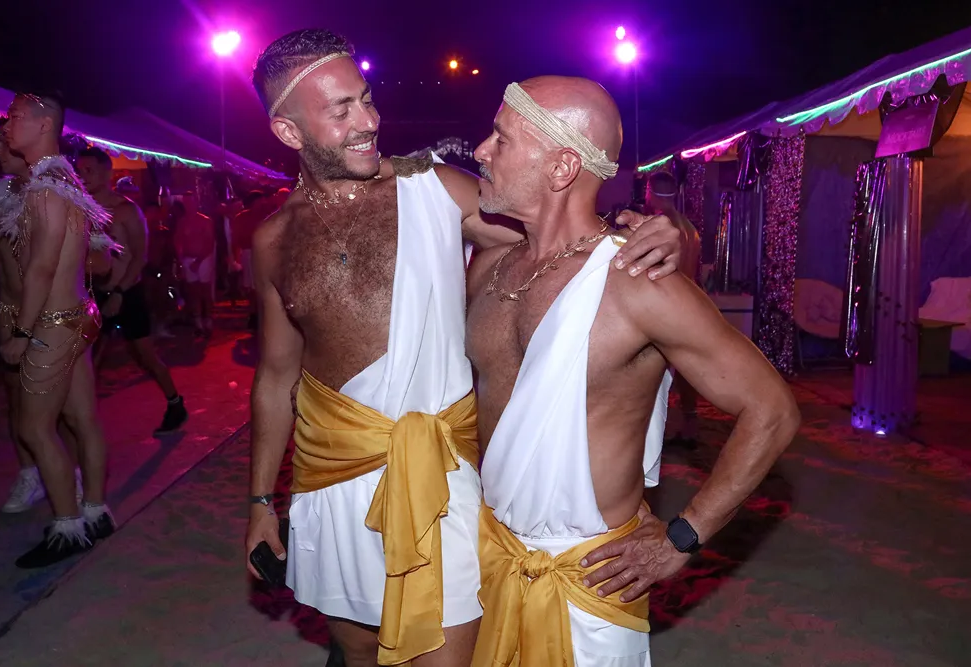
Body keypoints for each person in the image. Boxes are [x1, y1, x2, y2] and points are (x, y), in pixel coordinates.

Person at [244, 29, 685, 667]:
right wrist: (261, 503)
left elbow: (555, 228)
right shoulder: (274, 241)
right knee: (357, 652)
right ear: (290, 131)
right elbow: (275, 375)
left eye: (366, 99)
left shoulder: (436, 190)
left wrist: (642, 233)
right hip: (332, 479)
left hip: (443, 479)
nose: (369, 121)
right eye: (341, 110)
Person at [466, 76, 800, 666]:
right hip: (487, 556)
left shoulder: (639, 284)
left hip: (591, 581)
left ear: (562, 167)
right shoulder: (489, 263)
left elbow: (771, 411)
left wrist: (683, 536)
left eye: (501, 138)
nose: (480, 151)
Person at [0, 92, 116, 568]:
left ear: (44, 125)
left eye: (15, 117)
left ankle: (68, 528)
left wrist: (20, 333)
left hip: (53, 323)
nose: (7, 125)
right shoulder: (65, 182)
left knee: (34, 427)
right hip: (78, 317)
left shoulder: (45, 189)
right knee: (83, 419)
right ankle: (96, 512)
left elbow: (42, 268)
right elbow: (94, 257)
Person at [0, 126, 86, 514]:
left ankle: (71, 477)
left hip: (50, 317)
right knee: (16, 401)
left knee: (60, 409)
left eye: (3, 142)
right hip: (8, 312)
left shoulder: (54, 195)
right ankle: (29, 474)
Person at [76, 147, 188, 435]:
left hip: (127, 291)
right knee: (88, 358)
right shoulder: (80, 210)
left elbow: (140, 257)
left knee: (145, 355)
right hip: (93, 292)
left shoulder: (125, 210)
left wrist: (119, 292)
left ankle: (175, 403)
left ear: (106, 173)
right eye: (79, 170)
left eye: (89, 170)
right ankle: (83, 420)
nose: (83, 176)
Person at [646, 170, 703, 445]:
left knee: (654, 370)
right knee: (686, 368)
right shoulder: (690, 228)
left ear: (650, 192)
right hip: (690, 305)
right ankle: (690, 424)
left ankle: (657, 432)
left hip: (666, 306)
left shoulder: (660, 226)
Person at [174, 191, 215, 337]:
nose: (188, 205)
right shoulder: (182, 222)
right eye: (186, 202)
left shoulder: (205, 220)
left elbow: (209, 243)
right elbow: (178, 241)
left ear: (196, 202)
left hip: (203, 259)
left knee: (205, 290)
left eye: (191, 201)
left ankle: (208, 320)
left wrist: (198, 261)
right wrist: (180, 259)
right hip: (188, 259)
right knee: (193, 291)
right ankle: (198, 322)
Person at [230, 190, 269, 328]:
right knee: (251, 286)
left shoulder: (267, 216)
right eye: (259, 202)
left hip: (265, 254)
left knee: (262, 285)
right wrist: (236, 259)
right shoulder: (241, 218)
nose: (262, 204)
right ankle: (253, 313)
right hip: (248, 254)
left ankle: (262, 314)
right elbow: (236, 239)